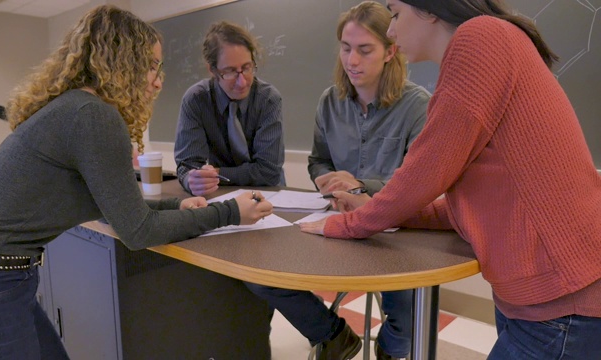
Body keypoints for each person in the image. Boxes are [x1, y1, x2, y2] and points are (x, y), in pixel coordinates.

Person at [0, 6, 273, 359]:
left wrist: (176, 204)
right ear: (124, 62)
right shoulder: (94, 116)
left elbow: (113, 209)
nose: (158, 79)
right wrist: (229, 212)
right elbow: (137, 230)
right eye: (152, 65)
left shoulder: (79, 108)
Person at [300, 0, 601, 359]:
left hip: (562, 297)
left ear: (428, 8)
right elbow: (463, 205)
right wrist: (383, 210)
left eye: (395, 14)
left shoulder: (479, 38)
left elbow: (424, 173)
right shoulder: (490, 40)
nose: (392, 31)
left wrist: (348, 223)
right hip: (542, 296)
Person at [245, 2, 430, 359]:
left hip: (393, 233)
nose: (352, 61)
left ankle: (389, 353)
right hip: (336, 222)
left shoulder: (417, 106)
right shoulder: (330, 101)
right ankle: (334, 335)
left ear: (390, 51)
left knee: (406, 310)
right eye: (346, 48)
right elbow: (318, 160)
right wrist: (325, 180)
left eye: (364, 50)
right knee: (261, 275)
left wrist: (362, 186)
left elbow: (419, 182)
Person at [174, 21, 285, 196]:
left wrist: (216, 174)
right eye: (231, 71)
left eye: (247, 68)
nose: (242, 82)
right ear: (212, 70)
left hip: (269, 195)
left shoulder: (268, 99)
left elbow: (268, 171)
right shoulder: (196, 100)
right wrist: (193, 180)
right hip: (221, 196)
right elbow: (188, 165)